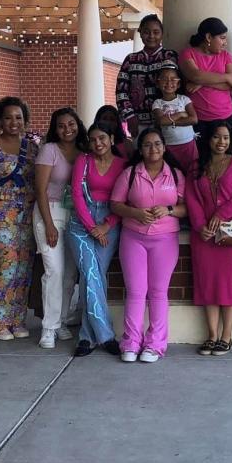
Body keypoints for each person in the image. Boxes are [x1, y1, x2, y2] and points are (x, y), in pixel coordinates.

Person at [110, 128, 187, 363]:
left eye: (157, 144)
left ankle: (155, 344)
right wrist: (134, 213)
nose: (153, 149)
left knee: (158, 292)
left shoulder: (175, 175)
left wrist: (169, 210)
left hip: (165, 239)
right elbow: (115, 204)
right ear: (140, 149)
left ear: (164, 147)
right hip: (133, 237)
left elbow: (186, 208)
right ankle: (131, 343)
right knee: (135, 291)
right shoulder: (130, 174)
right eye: (147, 145)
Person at [185, 122, 232, 356]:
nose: (221, 142)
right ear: (208, 139)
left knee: (228, 283)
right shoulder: (196, 166)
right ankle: (212, 335)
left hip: (230, 234)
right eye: (216, 137)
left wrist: (220, 215)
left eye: (226, 138)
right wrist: (199, 225)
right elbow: (191, 198)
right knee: (207, 284)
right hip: (203, 235)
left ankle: (227, 336)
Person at [0, 96, 39, 340]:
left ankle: (17, 320)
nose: (14, 122)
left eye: (18, 117)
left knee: (25, 266)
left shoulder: (33, 145)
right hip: (0, 214)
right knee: (7, 266)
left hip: (27, 213)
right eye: (8, 117)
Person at [67, 122, 127, 357]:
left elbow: (125, 200)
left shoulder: (123, 165)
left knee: (94, 276)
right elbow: (76, 194)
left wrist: (106, 225)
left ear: (112, 139)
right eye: (93, 140)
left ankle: (86, 337)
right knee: (90, 273)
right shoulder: (83, 160)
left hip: (109, 221)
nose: (97, 143)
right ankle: (105, 336)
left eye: (102, 138)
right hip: (81, 223)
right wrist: (92, 227)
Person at [33, 107, 88, 349]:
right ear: (55, 129)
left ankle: (62, 321)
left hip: (75, 214)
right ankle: (48, 327)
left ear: (78, 125)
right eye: (61, 125)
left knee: (69, 275)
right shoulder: (49, 150)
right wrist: (48, 224)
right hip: (50, 212)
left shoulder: (84, 150)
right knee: (53, 270)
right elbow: (40, 189)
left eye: (71, 124)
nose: (67, 129)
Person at [179, 17, 232, 154]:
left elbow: (231, 85)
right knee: (201, 159)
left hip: (225, 117)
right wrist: (225, 77)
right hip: (198, 119)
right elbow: (195, 75)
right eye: (222, 38)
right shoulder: (188, 53)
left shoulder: (225, 56)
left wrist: (201, 83)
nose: (225, 43)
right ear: (208, 37)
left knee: (225, 159)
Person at [115, 13, 179, 139]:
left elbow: (179, 86)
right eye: (146, 32)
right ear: (140, 33)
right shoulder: (130, 60)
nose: (151, 36)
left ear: (162, 34)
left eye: (156, 32)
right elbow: (121, 92)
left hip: (167, 121)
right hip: (138, 123)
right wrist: (130, 117)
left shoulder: (170, 56)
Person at [151, 61, 198, 175]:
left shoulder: (184, 99)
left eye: (173, 79)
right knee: (173, 173)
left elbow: (193, 119)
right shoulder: (157, 103)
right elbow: (161, 121)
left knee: (193, 172)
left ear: (178, 84)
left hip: (188, 144)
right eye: (164, 79)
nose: (168, 82)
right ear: (157, 83)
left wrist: (170, 121)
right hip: (169, 146)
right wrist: (181, 115)